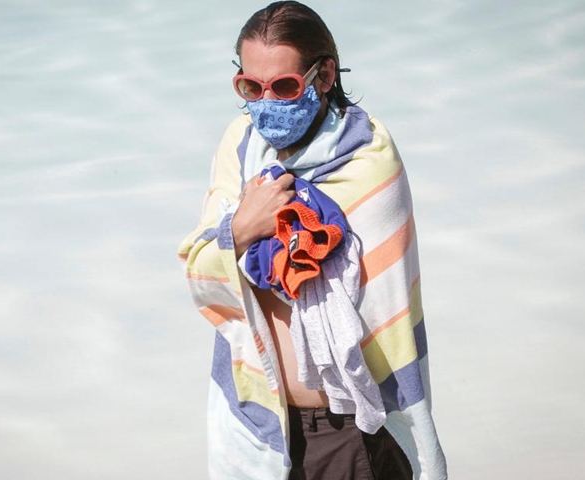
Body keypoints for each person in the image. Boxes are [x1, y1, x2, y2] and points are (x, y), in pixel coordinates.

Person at [178, 2, 447, 479]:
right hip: (258, 423)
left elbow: (382, 305)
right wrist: (241, 229)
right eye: (250, 87)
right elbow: (199, 272)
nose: (266, 102)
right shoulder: (239, 150)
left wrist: (270, 217)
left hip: (349, 432)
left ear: (323, 76)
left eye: (284, 86)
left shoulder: (368, 162)